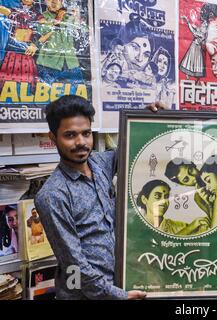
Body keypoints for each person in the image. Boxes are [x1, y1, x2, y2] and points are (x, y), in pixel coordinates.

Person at [34, 95, 164, 300]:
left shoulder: (100, 163)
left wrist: (148, 119)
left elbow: (133, 149)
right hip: (87, 295)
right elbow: (73, 264)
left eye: (86, 133)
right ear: (53, 138)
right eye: (70, 135)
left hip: (121, 282)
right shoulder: (52, 195)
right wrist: (116, 295)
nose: (81, 142)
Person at [36, 0, 86, 84]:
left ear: (62, 2)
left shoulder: (68, 17)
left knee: (80, 90)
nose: (54, 1)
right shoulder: (42, 17)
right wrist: (58, 18)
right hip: (49, 65)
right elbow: (41, 32)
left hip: (71, 64)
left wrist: (77, 17)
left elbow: (86, 31)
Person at [136, 180, 209, 236]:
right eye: (157, 196)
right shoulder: (136, 227)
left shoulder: (180, 226)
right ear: (144, 200)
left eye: (166, 197)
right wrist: (189, 229)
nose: (163, 201)